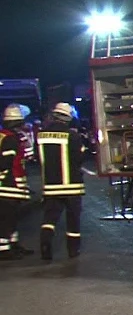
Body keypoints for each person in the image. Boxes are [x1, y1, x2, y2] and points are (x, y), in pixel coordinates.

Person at [38, 102, 86, 260]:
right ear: (68, 118)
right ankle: (73, 250)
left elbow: (38, 159)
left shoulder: (41, 135)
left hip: (50, 185)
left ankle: (45, 244)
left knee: (49, 217)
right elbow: (79, 158)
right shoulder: (73, 135)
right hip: (72, 186)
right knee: (73, 219)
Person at [0, 104, 32, 259]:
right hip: (9, 185)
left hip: (8, 185)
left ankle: (13, 244)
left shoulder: (4, 136)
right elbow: (5, 162)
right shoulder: (11, 139)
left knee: (12, 216)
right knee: (7, 217)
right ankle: (4, 249)